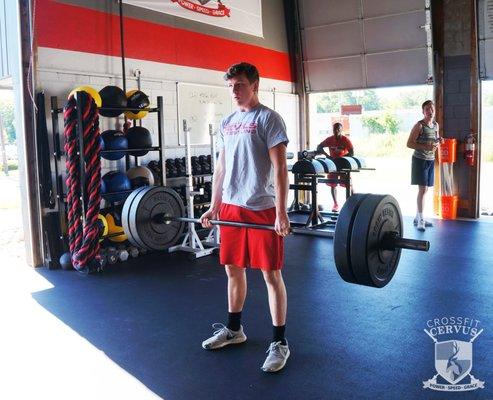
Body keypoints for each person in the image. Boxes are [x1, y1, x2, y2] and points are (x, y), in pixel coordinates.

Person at [199, 62, 291, 373]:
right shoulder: (227, 122)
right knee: (232, 271)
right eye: (231, 86)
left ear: (254, 85)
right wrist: (214, 207)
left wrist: (281, 212)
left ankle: (279, 342)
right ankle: (234, 330)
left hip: (262, 207)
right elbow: (221, 170)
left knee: (270, 275)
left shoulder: (269, 119)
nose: (234, 91)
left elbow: (280, 169)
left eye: (239, 85)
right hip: (231, 207)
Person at [407, 100, 443, 231]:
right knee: (422, 190)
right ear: (423, 112)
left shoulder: (436, 125)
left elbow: (435, 141)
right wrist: (425, 146)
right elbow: (409, 143)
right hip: (419, 160)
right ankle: (421, 220)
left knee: (425, 190)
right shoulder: (419, 126)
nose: (430, 111)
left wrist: (439, 141)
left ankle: (418, 217)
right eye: (427, 109)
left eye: (432, 109)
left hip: (430, 160)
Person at [316, 122, 354, 212]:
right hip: (332, 164)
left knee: (348, 184)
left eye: (338, 129)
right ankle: (335, 204)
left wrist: (342, 158)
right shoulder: (329, 139)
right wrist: (326, 155)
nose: (336, 131)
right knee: (332, 184)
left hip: (343, 164)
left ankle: (351, 203)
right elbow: (319, 147)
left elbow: (352, 152)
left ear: (341, 130)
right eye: (334, 129)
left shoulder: (345, 140)